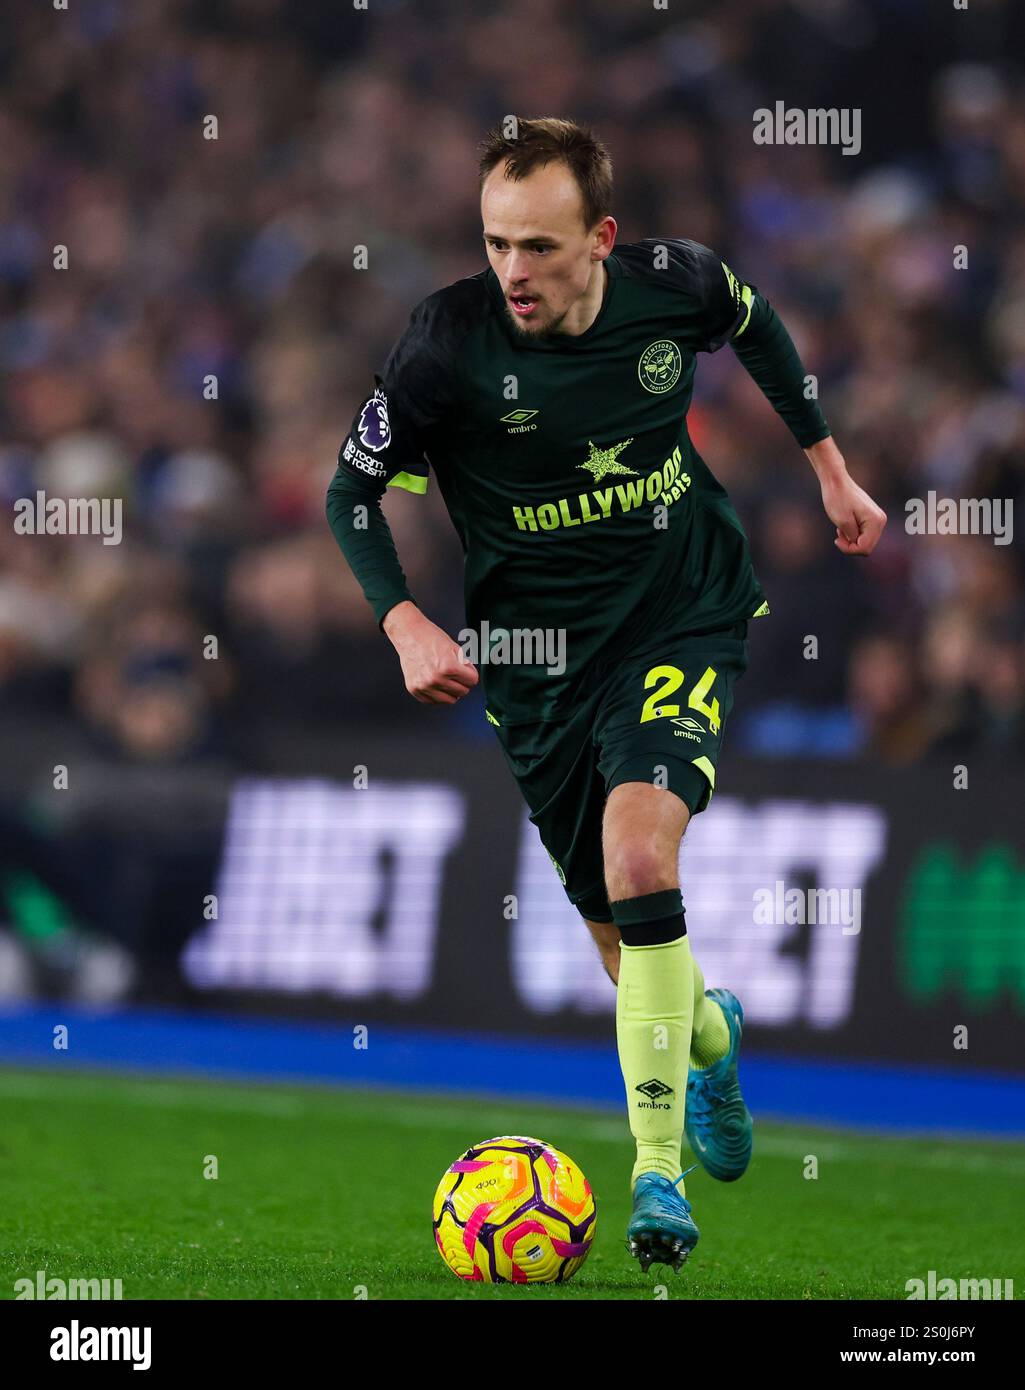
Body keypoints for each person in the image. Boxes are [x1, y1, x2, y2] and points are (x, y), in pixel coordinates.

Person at [327, 117, 886, 1273]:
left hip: (681, 609)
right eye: (494, 243)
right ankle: (716, 1040)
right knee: (632, 951)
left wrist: (826, 463)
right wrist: (406, 621)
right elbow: (350, 494)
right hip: (534, 666)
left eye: (537, 245)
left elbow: (760, 328)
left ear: (602, 239)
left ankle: (654, 1178)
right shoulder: (443, 346)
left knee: (642, 862)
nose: (512, 272)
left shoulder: (669, 286)